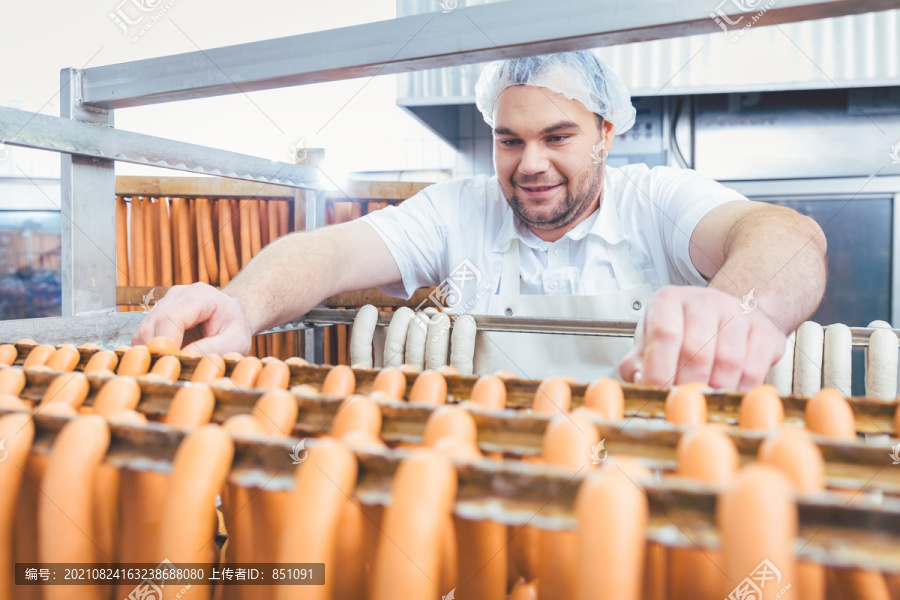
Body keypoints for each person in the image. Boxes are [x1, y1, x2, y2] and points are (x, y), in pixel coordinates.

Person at [133, 50, 827, 390]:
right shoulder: (458, 210)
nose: (530, 164)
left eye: (557, 138)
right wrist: (240, 304)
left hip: (650, 510)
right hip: (490, 498)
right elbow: (330, 254)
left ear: (606, 134)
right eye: (509, 139)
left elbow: (788, 238)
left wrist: (735, 307)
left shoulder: (657, 201)